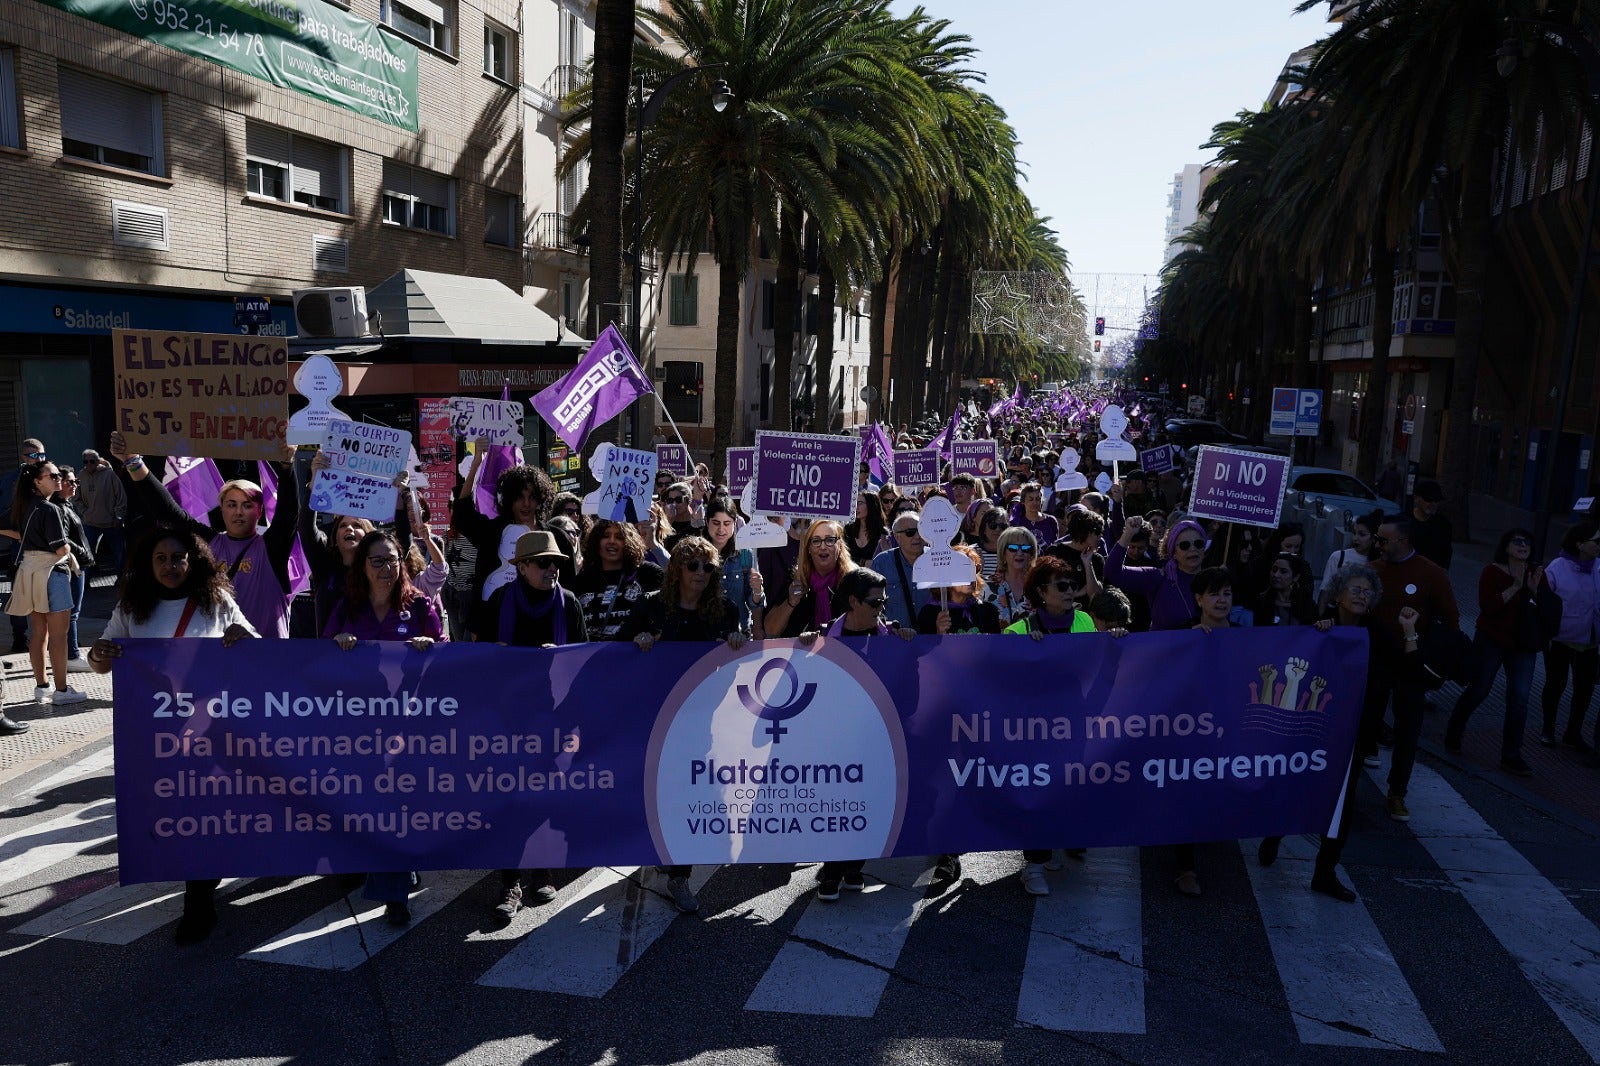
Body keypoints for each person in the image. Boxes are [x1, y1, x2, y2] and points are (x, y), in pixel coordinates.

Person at [88, 527, 257, 941]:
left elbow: (255, 645)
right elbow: (101, 661)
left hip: (213, 730)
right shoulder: (133, 608)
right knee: (177, 814)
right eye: (161, 558)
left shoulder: (216, 603)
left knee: (205, 812)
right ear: (149, 564)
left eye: (178, 557)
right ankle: (202, 876)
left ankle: (197, 902)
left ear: (192, 560)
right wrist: (98, 653)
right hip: (158, 735)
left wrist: (242, 637)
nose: (170, 565)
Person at [622, 536, 749, 913]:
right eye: (693, 565)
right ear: (676, 568)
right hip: (654, 715)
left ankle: (679, 877)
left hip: (700, 718)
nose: (700, 573)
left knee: (690, 793)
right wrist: (638, 640)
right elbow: (616, 652)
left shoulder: (724, 610)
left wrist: (738, 641)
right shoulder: (650, 607)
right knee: (657, 792)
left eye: (708, 567)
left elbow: (737, 663)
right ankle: (656, 848)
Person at [324, 530, 442, 926]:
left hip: (410, 727)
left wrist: (432, 647)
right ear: (363, 567)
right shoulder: (347, 608)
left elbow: (449, 658)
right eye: (378, 561)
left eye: (393, 560)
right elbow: (317, 663)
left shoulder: (420, 605)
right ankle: (398, 874)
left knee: (396, 807)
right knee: (375, 808)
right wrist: (337, 646)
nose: (388, 568)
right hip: (360, 728)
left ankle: (395, 895)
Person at [483, 530, 587, 918]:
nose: (552, 569)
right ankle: (509, 879)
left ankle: (541, 869)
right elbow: (474, 656)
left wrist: (561, 657)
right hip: (506, 717)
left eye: (557, 562)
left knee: (542, 794)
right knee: (507, 797)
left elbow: (584, 659)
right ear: (522, 567)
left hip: (552, 717)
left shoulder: (569, 604)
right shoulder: (499, 601)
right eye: (543, 562)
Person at [112, 433, 301, 639]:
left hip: (266, 657)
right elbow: (168, 512)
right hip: (219, 659)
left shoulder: (272, 548)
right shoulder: (208, 544)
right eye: (231, 504)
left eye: (247, 505)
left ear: (260, 512)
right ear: (222, 510)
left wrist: (286, 464)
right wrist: (132, 461)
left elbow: (288, 512)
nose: (238, 512)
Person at [1443, 528, 1555, 776]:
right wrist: (1516, 585)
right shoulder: (1491, 572)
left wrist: (1535, 589)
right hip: (1492, 639)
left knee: (1520, 698)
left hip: (1523, 644)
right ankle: (1454, 730)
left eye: (1527, 542)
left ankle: (1511, 755)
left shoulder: (1536, 574)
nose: (1523, 545)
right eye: (1517, 542)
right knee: (1479, 689)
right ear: (1506, 546)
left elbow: (1547, 610)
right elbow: (1489, 607)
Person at [1371, 516, 1459, 821]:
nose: (1377, 544)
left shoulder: (1430, 573)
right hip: (1377, 661)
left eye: (1383, 540)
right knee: (1365, 721)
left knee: (1408, 732)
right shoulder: (1372, 570)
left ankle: (1397, 792)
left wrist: (1432, 657)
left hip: (1412, 663)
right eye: (1376, 538)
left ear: (1404, 542)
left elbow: (1450, 620)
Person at [4, 460, 86, 707]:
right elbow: (60, 548)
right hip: (52, 572)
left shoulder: (23, 505)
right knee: (59, 635)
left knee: (39, 633)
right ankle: (62, 691)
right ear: (37, 481)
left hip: (29, 570)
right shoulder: (50, 509)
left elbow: (10, 528)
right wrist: (70, 548)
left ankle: (42, 687)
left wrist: (25, 539)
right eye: (52, 476)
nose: (58, 478)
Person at [1538, 521, 1600, 757]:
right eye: (1596, 541)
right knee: (1556, 684)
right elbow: (1546, 601)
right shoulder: (1557, 567)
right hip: (1561, 639)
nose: (1599, 546)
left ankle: (1573, 732)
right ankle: (1548, 729)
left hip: (1590, 640)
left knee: (1584, 689)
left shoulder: (1599, 567)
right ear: (1579, 544)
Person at [1107, 518, 1209, 631]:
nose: (1193, 549)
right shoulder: (1157, 577)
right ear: (1173, 552)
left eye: (1198, 544)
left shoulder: (1215, 579)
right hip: (1164, 647)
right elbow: (1113, 572)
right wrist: (1128, 534)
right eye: (1185, 545)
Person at [571, 520, 664, 640]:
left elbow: (678, 580)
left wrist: (654, 544)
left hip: (636, 656)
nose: (612, 541)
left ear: (629, 542)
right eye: (606, 536)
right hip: (590, 656)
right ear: (596, 541)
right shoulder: (581, 581)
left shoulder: (648, 574)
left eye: (619, 537)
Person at [762, 520, 856, 638]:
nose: (823, 547)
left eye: (830, 540)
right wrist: (791, 602)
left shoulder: (853, 581)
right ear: (809, 548)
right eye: (816, 541)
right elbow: (770, 630)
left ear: (840, 545)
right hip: (800, 654)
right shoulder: (797, 579)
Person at [0, 438, 47, 652]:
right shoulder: (11, 481)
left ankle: (52, 639)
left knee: (49, 594)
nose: (39, 459)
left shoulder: (50, 475)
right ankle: (20, 638)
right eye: (34, 456)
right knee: (20, 593)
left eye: (42, 455)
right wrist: (17, 535)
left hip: (49, 546)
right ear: (24, 458)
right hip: (20, 547)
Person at [53, 465, 95, 672]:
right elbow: (63, 538)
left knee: (71, 612)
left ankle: (69, 655)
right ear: (59, 484)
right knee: (72, 613)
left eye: (76, 481)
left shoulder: (66, 505)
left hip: (76, 564)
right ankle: (72, 656)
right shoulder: (59, 507)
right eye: (70, 481)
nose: (74, 485)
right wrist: (82, 552)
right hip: (72, 566)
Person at [703, 497, 765, 634]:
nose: (721, 529)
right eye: (716, 523)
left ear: (734, 523)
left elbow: (754, 602)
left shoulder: (744, 554)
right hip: (704, 635)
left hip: (739, 634)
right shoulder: (697, 554)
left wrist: (757, 589)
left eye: (727, 523)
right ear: (707, 521)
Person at [915, 546, 1001, 635]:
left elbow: (996, 647)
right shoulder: (930, 613)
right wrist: (939, 633)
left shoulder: (987, 611)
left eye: (973, 569)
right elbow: (923, 647)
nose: (970, 576)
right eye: (962, 570)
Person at [1004, 555, 1096, 637]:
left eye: (1072, 586)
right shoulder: (1017, 633)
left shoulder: (1085, 620)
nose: (1070, 591)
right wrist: (1026, 646)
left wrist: (1110, 637)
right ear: (1041, 592)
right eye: (1062, 586)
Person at [873, 511, 934, 629]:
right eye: (910, 533)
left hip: (932, 638)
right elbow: (871, 606)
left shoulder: (937, 560)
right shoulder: (882, 563)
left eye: (920, 531)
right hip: (894, 639)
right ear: (897, 537)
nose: (917, 536)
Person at [1318, 510, 1384, 612]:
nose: (1355, 538)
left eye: (1362, 534)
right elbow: (1325, 593)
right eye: (1354, 533)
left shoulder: (1380, 562)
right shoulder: (1339, 556)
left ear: (1374, 538)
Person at [76, 448, 126, 575]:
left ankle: (122, 580)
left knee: (119, 553)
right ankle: (86, 583)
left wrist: (119, 516)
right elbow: (76, 498)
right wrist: (85, 512)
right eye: (85, 462)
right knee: (87, 553)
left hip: (111, 523)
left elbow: (121, 496)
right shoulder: (81, 475)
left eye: (92, 461)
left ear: (98, 461)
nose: (88, 464)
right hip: (90, 522)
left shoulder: (109, 474)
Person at [991, 527, 1039, 626]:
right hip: (996, 641)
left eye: (1025, 548)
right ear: (1003, 553)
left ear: (1031, 554)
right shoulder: (987, 587)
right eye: (1013, 548)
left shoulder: (1039, 586)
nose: (1020, 553)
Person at [1255, 553, 1316, 627]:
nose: (1276, 575)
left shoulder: (1306, 604)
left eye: (1283, 571)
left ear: (1295, 577)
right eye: (1274, 570)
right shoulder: (1260, 601)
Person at [1409, 479, 1453, 569]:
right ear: (1416, 498)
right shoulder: (1403, 521)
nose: (1433, 503)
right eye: (1428, 499)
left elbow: (1446, 554)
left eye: (1437, 500)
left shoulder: (1443, 525)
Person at [844, 490, 886, 567]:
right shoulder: (848, 530)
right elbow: (843, 558)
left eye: (860, 503)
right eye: (855, 503)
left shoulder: (882, 532)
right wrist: (863, 562)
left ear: (871, 506)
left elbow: (884, 562)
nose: (856, 506)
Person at [1014, 482, 1059, 546]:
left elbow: (1055, 545)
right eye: (1031, 499)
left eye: (1038, 499)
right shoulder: (1018, 522)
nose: (1034, 502)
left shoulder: (1051, 520)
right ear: (1023, 501)